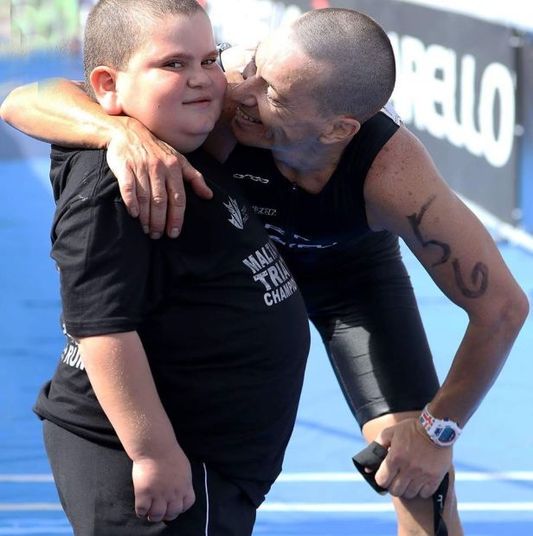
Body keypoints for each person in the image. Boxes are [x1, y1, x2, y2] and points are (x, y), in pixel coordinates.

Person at [1, 7, 528, 535]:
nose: (241, 93)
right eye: (249, 72)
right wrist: (117, 134)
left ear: (338, 129)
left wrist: (439, 432)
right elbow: (22, 100)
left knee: (419, 475)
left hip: (349, 279)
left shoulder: (393, 175)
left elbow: (503, 308)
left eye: (271, 94)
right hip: (242, 260)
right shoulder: (226, 94)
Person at [0, 1, 310, 534]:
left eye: (210, 59)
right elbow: (101, 328)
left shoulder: (182, 138)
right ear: (108, 85)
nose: (202, 80)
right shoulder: (115, 187)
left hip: (208, 466)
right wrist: (153, 453)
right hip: (162, 468)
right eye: (173, 65)